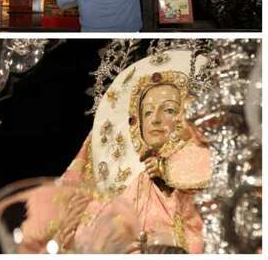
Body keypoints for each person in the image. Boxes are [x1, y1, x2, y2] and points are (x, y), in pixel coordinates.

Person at [19, 54, 210, 253]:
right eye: (147, 112)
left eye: (169, 110)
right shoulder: (136, 183)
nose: (155, 120)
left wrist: (167, 171)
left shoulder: (198, 155)